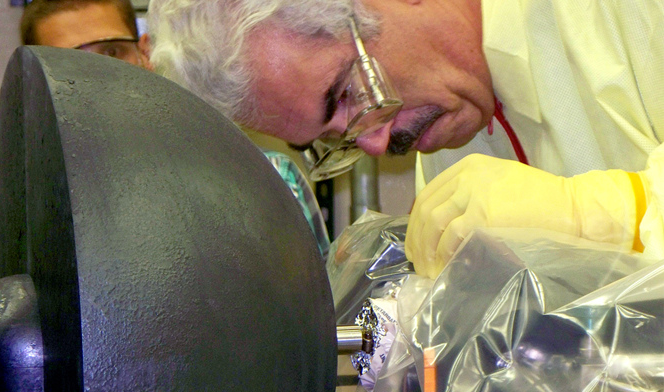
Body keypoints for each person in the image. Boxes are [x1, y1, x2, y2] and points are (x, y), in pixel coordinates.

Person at [147, 0, 664, 279]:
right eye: (334, 137)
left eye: (348, 92)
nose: (375, 144)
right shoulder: (440, 135)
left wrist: (604, 216)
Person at [0, 0, 328, 294]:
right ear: (35, 85)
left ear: (144, 54)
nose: (97, 79)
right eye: (67, 65)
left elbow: (321, 344)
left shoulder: (271, 185)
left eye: (112, 51)